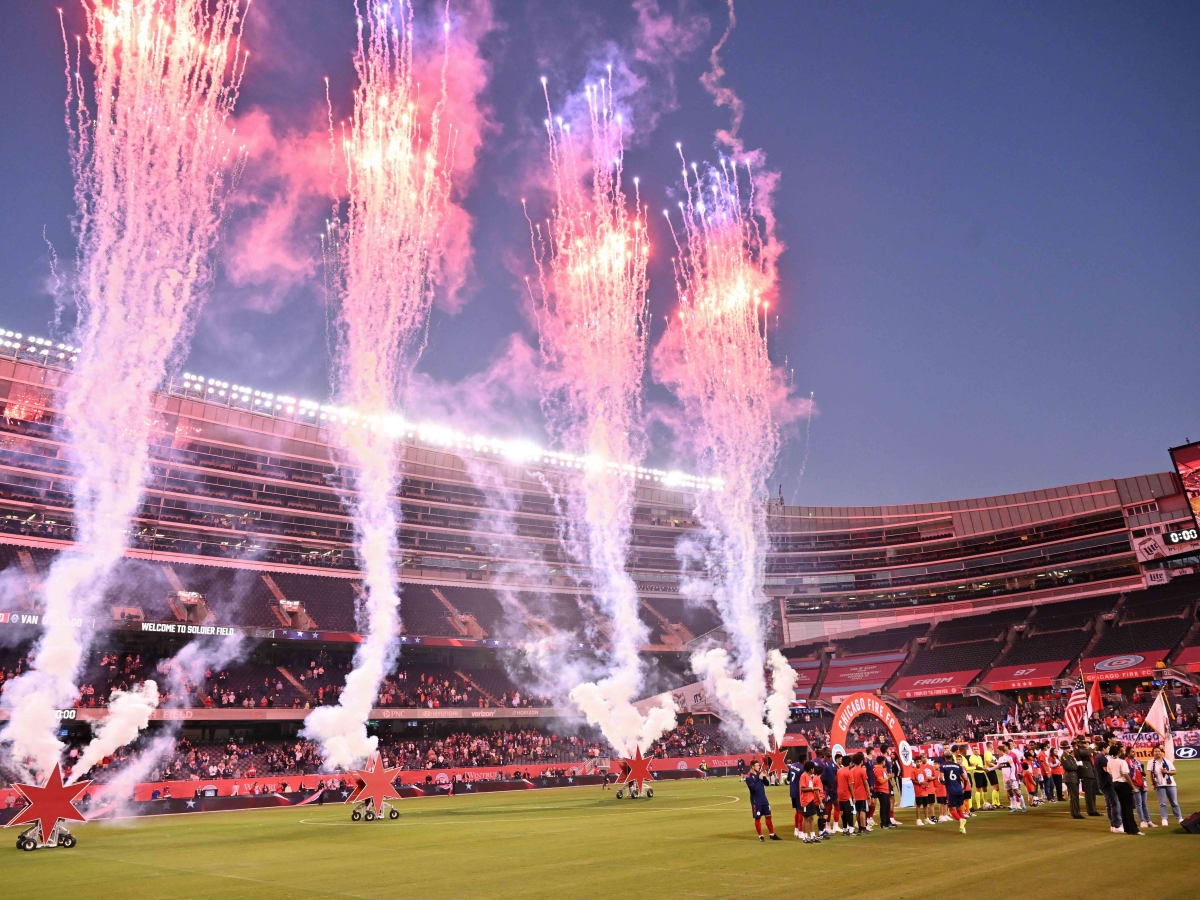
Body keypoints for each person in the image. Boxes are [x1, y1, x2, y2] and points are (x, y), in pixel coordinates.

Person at [1106, 745, 1140, 836]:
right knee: (1128, 808)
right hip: (1123, 784)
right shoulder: (1122, 762)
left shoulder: (1109, 762)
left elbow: (1109, 772)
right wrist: (1133, 787)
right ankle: (1133, 829)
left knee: (1123, 807)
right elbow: (1126, 775)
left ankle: (1126, 828)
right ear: (1118, 752)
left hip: (1115, 784)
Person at [1148, 745, 1183, 828]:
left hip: (1170, 784)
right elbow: (1150, 774)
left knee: (1174, 802)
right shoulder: (1150, 762)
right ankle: (1164, 819)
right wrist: (1153, 784)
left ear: (1161, 752)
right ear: (1153, 753)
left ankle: (1179, 818)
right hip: (1159, 785)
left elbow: (1174, 772)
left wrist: (1167, 772)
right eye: (1156, 751)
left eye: (1159, 751)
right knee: (1162, 803)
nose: (1158, 752)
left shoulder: (1167, 761)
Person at [745, 760, 781, 841]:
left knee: (769, 816)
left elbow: (767, 784)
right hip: (756, 801)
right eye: (757, 766)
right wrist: (759, 778)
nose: (759, 767)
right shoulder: (748, 777)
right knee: (757, 818)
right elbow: (753, 789)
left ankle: (772, 834)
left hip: (764, 799)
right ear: (752, 767)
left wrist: (764, 777)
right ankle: (761, 836)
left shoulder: (759, 773)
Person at [1093, 739, 1120, 832]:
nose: (1109, 749)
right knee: (1114, 803)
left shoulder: (1099, 757)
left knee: (1110, 804)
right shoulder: (1101, 757)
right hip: (1107, 783)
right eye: (1108, 748)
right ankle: (1116, 825)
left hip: (1103, 783)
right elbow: (1107, 770)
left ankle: (1113, 825)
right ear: (1104, 748)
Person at [939, 753, 969, 834]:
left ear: (945, 758)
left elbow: (941, 778)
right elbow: (965, 779)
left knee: (952, 809)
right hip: (959, 790)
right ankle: (963, 828)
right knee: (959, 809)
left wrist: (944, 783)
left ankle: (960, 820)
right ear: (952, 758)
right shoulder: (958, 766)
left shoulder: (943, 766)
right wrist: (964, 787)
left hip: (951, 790)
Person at [797, 761, 824, 843]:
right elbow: (803, 788)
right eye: (813, 769)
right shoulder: (803, 776)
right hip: (805, 801)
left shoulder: (809, 776)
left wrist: (813, 789)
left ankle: (812, 836)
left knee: (811, 818)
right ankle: (805, 837)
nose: (814, 770)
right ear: (811, 769)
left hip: (811, 800)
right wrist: (814, 788)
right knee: (805, 819)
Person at [1075, 740, 1100, 817]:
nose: (1087, 744)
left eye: (1088, 743)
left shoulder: (1088, 750)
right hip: (1086, 773)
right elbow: (1086, 753)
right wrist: (1091, 748)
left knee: (1093, 793)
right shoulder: (1080, 750)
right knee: (1089, 793)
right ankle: (1091, 810)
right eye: (1086, 743)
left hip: (1092, 772)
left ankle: (1093, 809)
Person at [1127, 751, 1152, 829]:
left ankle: (1149, 821)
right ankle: (1142, 821)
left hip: (1142, 784)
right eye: (1132, 752)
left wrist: (1143, 772)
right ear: (1128, 753)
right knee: (1138, 804)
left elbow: (1141, 771)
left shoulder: (1138, 761)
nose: (1134, 753)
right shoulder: (1127, 761)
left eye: (1134, 752)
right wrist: (1132, 786)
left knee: (1144, 803)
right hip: (1135, 785)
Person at [1060, 741, 1083, 819]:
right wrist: (1077, 765)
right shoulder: (1064, 756)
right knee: (1074, 796)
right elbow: (1069, 767)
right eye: (1067, 747)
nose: (1068, 748)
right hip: (1070, 777)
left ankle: (1075, 812)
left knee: (1075, 796)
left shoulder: (1068, 756)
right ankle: (1076, 813)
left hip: (1073, 777)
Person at [850, 752, 871, 834]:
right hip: (862, 794)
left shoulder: (851, 770)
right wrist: (868, 793)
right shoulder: (862, 770)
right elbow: (866, 783)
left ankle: (859, 828)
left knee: (858, 811)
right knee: (862, 811)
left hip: (854, 794)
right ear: (861, 761)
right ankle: (863, 828)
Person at [914, 753, 937, 825]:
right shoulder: (916, 769)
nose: (924, 759)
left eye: (925, 757)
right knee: (919, 805)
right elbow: (913, 780)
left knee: (928, 804)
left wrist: (930, 779)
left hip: (927, 789)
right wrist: (922, 782)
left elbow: (933, 777)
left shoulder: (928, 768)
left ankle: (929, 818)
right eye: (922, 758)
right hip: (920, 790)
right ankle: (919, 819)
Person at [872, 755, 895, 830]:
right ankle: (883, 824)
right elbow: (881, 781)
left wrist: (889, 776)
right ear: (882, 761)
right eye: (884, 761)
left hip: (885, 790)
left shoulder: (882, 768)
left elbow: (884, 778)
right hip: (881, 790)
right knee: (884, 807)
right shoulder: (878, 769)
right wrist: (888, 777)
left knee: (887, 807)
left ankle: (888, 822)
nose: (885, 762)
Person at [836, 756, 856, 835]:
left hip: (840, 794)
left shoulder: (839, 771)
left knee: (843, 812)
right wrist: (853, 796)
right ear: (849, 763)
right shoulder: (849, 772)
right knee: (850, 812)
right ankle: (851, 830)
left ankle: (845, 829)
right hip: (847, 795)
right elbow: (850, 785)